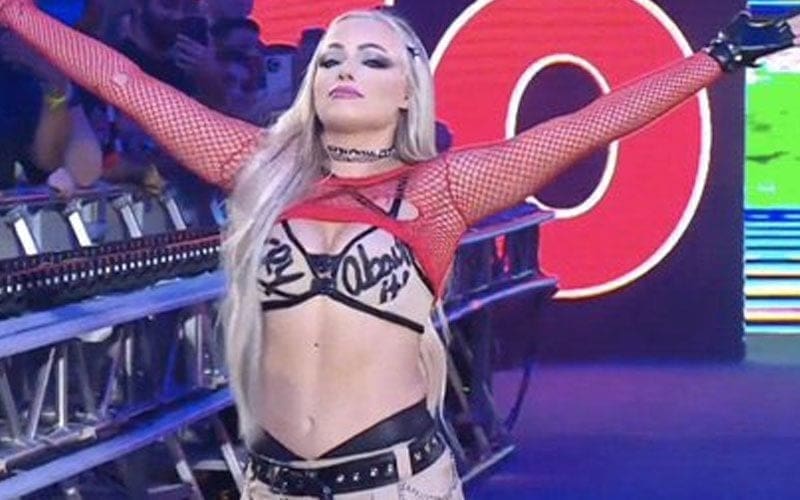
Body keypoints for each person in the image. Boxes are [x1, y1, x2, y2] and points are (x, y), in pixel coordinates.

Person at [1, 1, 797, 498]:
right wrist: (16, 12)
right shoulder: (257, 165)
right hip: (271, 485)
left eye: (371, 58)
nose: (345, 69)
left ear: (409, 88)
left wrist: (716, 60)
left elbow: (587, 125)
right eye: (331, 59)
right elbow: (124, 82)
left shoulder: (444, 188)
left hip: (394, 485)